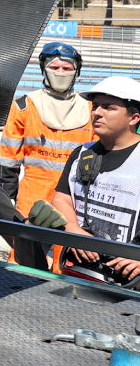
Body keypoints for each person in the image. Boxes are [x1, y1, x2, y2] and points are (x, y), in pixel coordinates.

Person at [50, 76, 140, 286]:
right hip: (79, 271)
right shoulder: (81, 153)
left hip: (130, 282)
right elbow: (61, 198)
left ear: (134, 118)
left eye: (108, 107)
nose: (97, 112)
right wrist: (74, 230)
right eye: (95, 106)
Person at [0, 42, 94, 219]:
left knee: (67, 247)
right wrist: (4, 199)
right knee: (24, 246)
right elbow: (8, 160)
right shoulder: (24, 106)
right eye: (54, 67)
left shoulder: (90, 109)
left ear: (76, 71)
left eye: (66, 67)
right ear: (44, 69)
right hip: (32, 196)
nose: (60, 72)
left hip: (74, 199)